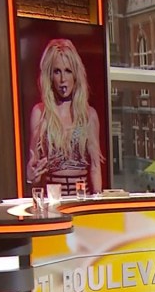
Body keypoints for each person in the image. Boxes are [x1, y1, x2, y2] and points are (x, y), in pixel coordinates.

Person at [26, 38, 104, 195]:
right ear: (50, 75)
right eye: (57, 71)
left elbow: (95, 168)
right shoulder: (40, 113)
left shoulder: (88, 115)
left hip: (82, 198)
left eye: (68, 71)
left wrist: (98, 199)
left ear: (75, 74)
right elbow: (34, 168)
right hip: (52, 199)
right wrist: (31, 175)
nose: (63, 79)